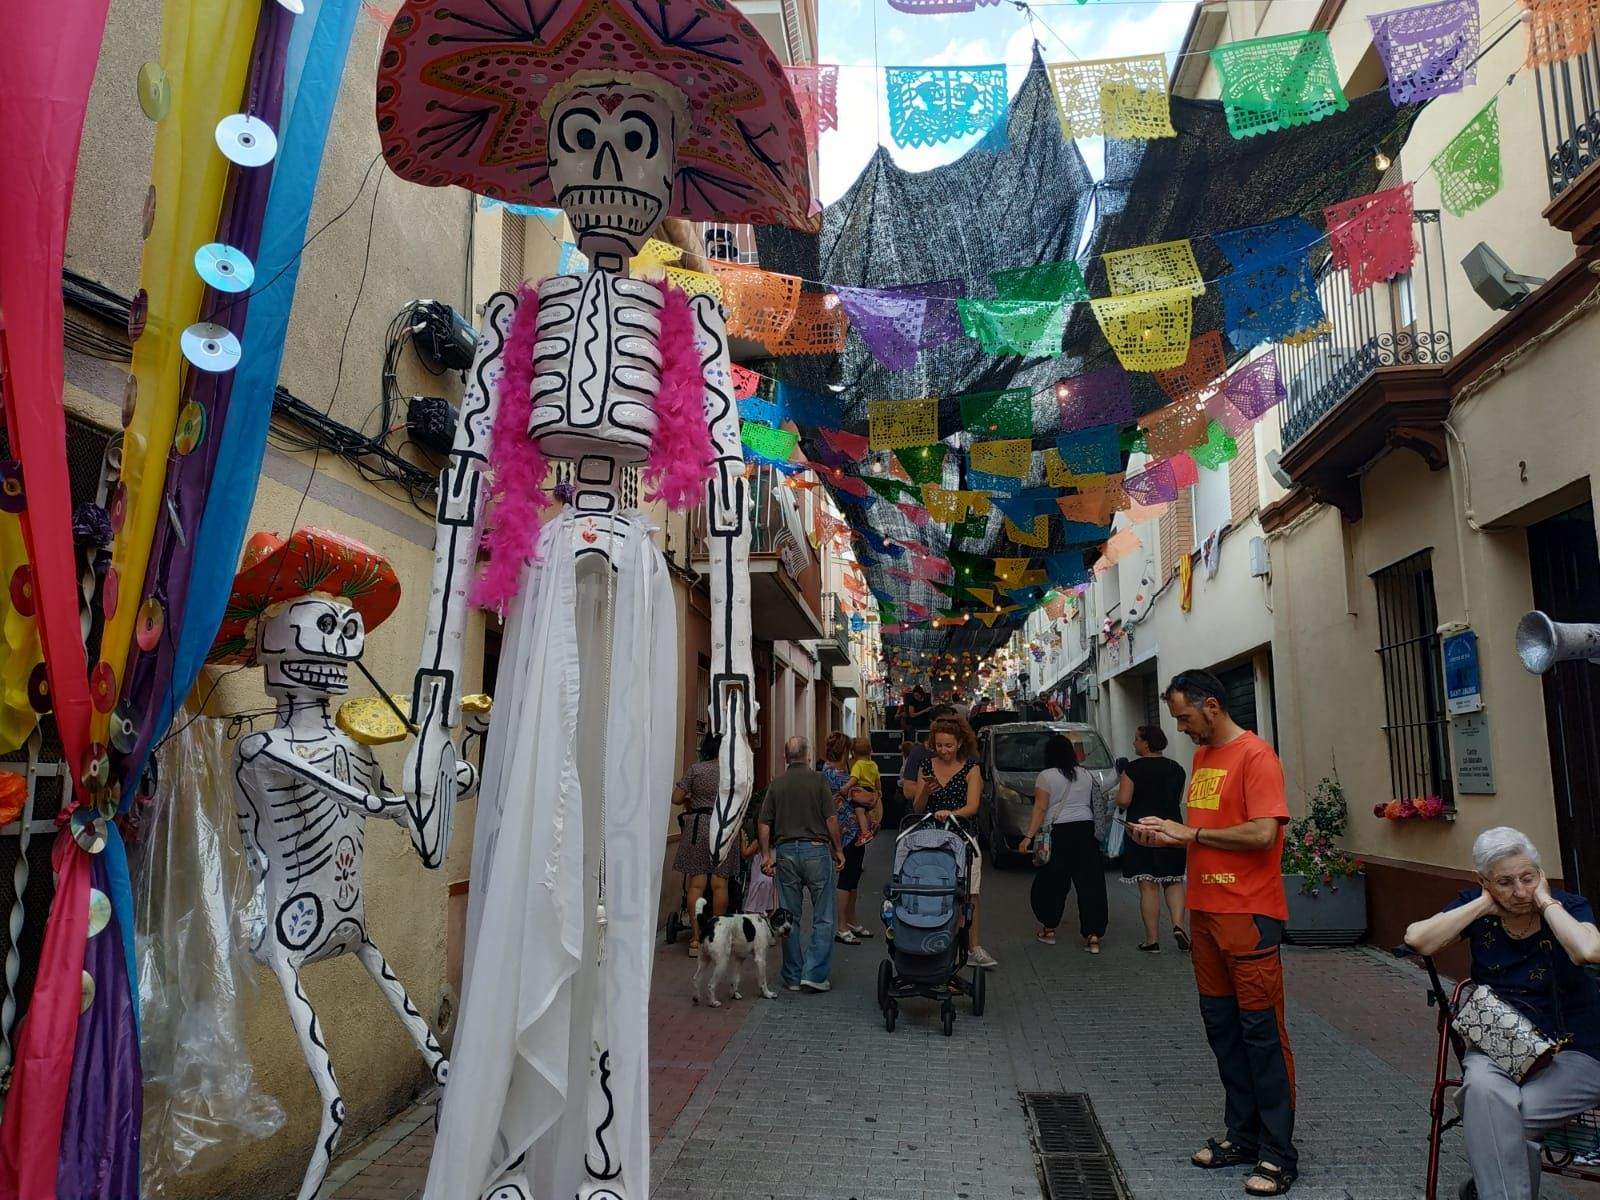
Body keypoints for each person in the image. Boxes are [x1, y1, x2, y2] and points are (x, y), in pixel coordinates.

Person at [1129, 670, 1296, 1197]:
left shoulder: (1256, 757)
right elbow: (1207, 838)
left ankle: (1278, 1153)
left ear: (1212, 706)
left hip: (1247, 914)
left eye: (1184, 717)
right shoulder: (1203, 759)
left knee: (1262, 1032)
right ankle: (1242, 1136)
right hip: (1204, 913)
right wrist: (1163, 834)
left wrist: (1191, 832)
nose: (1180, 727)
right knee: (1222, 1028)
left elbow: (1264, 832)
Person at [1405, 827, 1600, 1200]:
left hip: (1578, 1050)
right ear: (1484, 882)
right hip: (1499, 1048)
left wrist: (1546, 903)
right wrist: (1482, 904)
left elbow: (1587, 952)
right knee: (1480, 1087)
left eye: (1528, 877)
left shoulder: (1568, 907)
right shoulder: (1477, 909)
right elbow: (1418, 940)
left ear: (1541, 875)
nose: (1520, 890)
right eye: (1505, 882)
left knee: (1493, 1120)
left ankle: (1491, 1184)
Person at [759, 736, 846, 993]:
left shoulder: (777, 784)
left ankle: (793, 975)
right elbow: (831, 819)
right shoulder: (819, 781)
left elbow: (764, 823)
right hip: (817, 851)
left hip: (786, 852)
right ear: (808, 756)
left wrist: (766, 855)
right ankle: (814, 973)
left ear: (786, 757)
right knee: (824, 915)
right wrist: (838, 849)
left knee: (789, 915)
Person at [911, 715, 998, 970]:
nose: (944, 751)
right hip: (931, 837)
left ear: (960, 743)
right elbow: (917, 806)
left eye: (949, 745)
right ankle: (932, 939)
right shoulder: (926, 766)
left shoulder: (971, 767)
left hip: (962, 835)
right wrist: (926, 791)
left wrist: (952, 813)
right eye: (939, 745)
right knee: (935, 888)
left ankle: (973, 946)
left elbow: (972, 806)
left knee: (970, 892)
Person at [1018, 734, 1108, 952]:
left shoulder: (1046, 776)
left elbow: (1040, 808)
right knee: (1090, 883)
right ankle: (1093, 935)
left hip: (1057, 833)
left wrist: (1028, 837)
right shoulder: (1086, 774)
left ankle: (1049, 929)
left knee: (1052, 882)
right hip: (1086, 831)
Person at [1118, 724, 1190, 953]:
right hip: (1172, 830)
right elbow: (1177, 798)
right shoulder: (1177, 768)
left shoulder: (1133, 769)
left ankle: (1152, 940)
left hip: (1142, 832)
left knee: (1148, 886)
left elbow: (1124, 801)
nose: (1134, 743)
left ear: (1146, 743)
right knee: (1174, 880)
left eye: (1136, 739)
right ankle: (1178, 925)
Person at [671, 733, 739, 958]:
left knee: (697, 885)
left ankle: (695, 939)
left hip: (699, 827)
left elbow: (677, 797)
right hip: (723, 827)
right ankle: (716, 939)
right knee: (720, 884)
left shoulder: (696, 770)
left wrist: (692, 798)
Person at [821, 732, 873, 947]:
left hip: (850, 831)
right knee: (846, 880)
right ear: (845, 751)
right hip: (845, 832)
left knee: (853, 877)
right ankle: (842, 926)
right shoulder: (839, 775)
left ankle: (850, 921)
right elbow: (865, 797)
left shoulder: (833, 771)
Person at [850, 734, 882, 837]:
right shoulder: (874, 764)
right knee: (866, 811)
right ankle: (872, 824)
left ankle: (865, 833)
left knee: (859, 811)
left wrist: (846, 787)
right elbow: (878, 780)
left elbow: (854, 778)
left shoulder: (858, 764)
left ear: (854, 753)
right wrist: (879, 791)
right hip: (871, 791)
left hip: (861, 789)